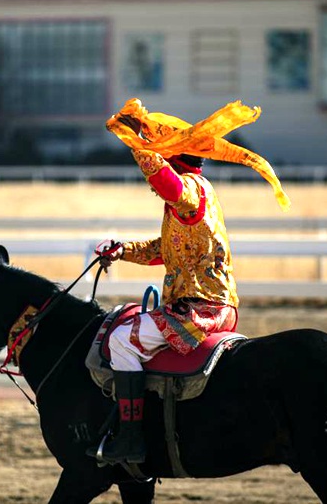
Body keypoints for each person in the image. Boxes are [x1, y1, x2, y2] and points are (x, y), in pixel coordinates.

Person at [91, 101, 241, 465]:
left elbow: (168, 184)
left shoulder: (188, 189)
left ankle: (130, 440)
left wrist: (138, 144)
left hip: (197, 311)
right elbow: (164, 250)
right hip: (216, 307)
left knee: (121, 340)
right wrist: (122, 250)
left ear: (173, 158)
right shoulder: (198, 194)